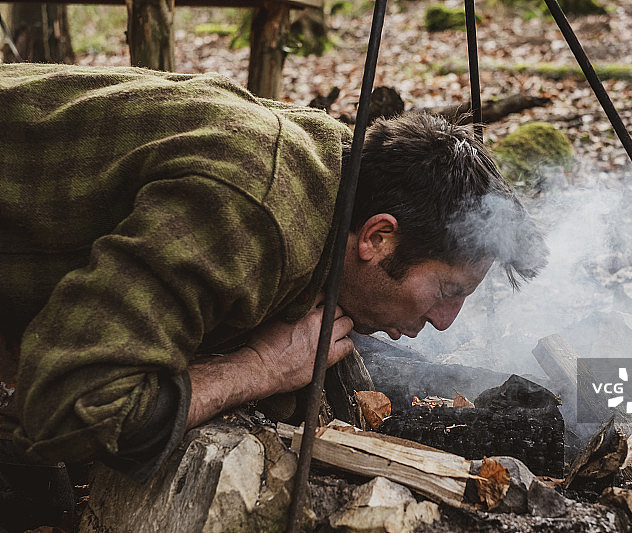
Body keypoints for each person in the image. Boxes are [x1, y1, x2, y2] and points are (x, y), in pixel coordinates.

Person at [0, 63, 545, 494]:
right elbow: (71, 409)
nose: (447, 323)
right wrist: (260, 368)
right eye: (447, 291)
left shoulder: (338, 169)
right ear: (378, 238)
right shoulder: (249, 214)